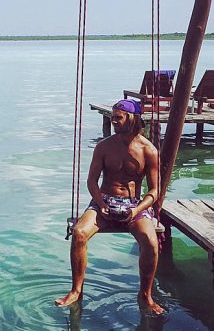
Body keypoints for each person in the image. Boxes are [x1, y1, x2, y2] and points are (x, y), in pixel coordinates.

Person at [55, 99, 163, 314]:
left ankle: (145, 295)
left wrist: (136, 210)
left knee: (151, 243)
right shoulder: (104, 146)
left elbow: (154, 191)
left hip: (133, 206)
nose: (113, 121)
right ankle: (76, 291)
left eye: (117, 117)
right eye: (112, 117)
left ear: (132, 119)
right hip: (103, 202)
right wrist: (102, 203)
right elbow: (92, 181)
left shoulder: (148, 150)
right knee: (78, 233)